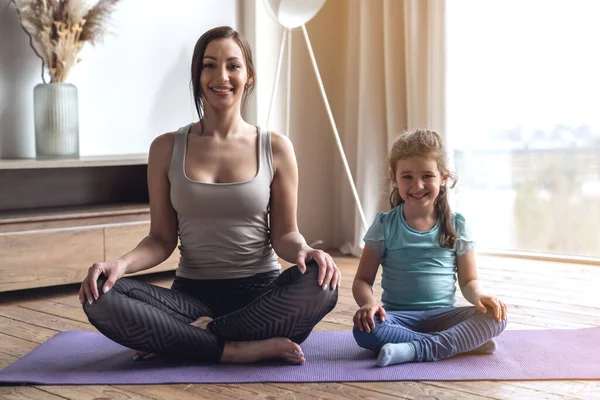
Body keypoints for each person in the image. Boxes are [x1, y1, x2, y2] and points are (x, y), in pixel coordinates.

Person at [79, 26, 339, 364]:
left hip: (261, 298)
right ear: (197, 76)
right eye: (209, 65)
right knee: (99, 295)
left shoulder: (275, 147)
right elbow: (160, 239)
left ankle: (189, 338)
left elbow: (285, 235)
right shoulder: (166, 148)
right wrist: (119, 264)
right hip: (190, 298)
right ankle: (235, 349)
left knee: (323, 284)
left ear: (249, 77)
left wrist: (305, 250)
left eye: (233, 65)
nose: (221, 76)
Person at [352, 129, 507, 367]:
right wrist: (369, 304)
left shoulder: (457, 225)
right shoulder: (384, 225)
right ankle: (460, 345)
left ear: (443, 177)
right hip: (398, 319)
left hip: (444, 317)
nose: (418, 185)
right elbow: (362, 280)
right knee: (365, 330)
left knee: (495, 318)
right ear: (394, 177)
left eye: (427, 176)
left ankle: (413, 349)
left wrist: (481, 295)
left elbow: (469, 281)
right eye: (407, 177)